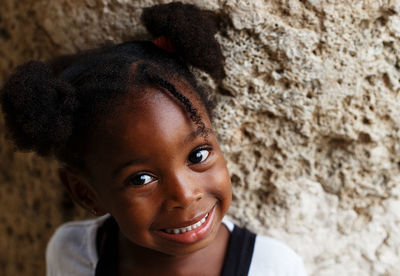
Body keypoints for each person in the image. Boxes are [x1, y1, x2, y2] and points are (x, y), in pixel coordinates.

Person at [0, 2, 307, 275]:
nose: (185, 195)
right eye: (141, 178)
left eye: (198, 156)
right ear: (86, 194)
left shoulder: (272, 266)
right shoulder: (73, 256)